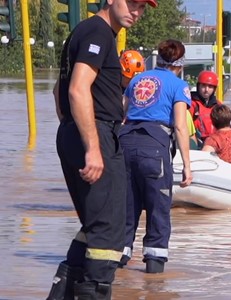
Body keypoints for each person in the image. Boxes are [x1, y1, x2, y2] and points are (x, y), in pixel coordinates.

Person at [48, 0, 156, 299]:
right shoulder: (98, 32)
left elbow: (59, 91)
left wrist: (71, 130)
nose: (136, 11)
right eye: (132, 3)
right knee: (110, 230)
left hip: (80, 131)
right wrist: (92, 146)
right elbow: (76, 89)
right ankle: (94, 292)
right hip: (97, 133)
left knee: (96, 225)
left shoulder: (86, 31)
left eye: (142, 8)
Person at [118, 39, 193, 274]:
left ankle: (114, 271)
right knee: (158, 209)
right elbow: (180, 127)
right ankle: (154, 277)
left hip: (125, 144)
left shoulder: (138, 79)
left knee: (126, 209)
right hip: (154, 148)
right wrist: (187, 166)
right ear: (180, 65)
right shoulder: (178, 85)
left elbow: (123, 113)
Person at [189, 70, 221, 146]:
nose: (206, 90)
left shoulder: (218, 105)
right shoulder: (191, 104)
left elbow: (226, 126)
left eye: (210, 87)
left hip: (215, 143)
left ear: (214, 89)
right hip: (197, 143)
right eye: (203, 86)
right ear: (198, 86)